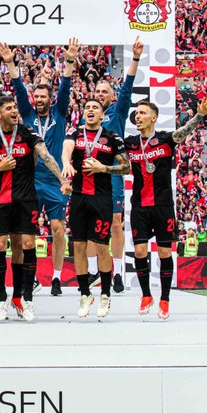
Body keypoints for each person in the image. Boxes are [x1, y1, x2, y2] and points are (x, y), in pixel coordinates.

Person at [0, 92, 68, 323]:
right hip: (1, 200)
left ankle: (24, 298)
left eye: (15, 107)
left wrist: (62, 180)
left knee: (25, 244)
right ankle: (1, 300)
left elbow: (46, 157)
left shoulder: (28, 134)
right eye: (8, 109)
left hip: (26, 199)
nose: (14, 111)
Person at [2, 38, 79, 297]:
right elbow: (18, 88)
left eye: (45, 96)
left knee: (58, 229)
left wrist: (69, 60)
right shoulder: (27, 112)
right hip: (31, 180)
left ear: (50, 99)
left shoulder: (59, 113)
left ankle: (56, 278)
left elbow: (66, 85)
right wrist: (11, 63)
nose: (40, 99)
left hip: (55, 180)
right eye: (38, 96)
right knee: (26, 232)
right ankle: (29, 278)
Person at [125, 93, 207, 321]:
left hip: (162, 205)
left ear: (153, 117)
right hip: (139, 205)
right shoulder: (130, 143)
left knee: (164, 252)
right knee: (140, 251)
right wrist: (103, 168)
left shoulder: (165, 139)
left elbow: (185, 131)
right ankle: (146, 295)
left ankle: (164, 299)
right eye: (137, 113)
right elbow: (123, 168)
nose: (138, 116)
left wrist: (199, 116)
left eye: (142, 113)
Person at [61, 98, 130, 319]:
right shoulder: (75, 133)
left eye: (95, 108)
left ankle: (105, 294)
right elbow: (66, 148)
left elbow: (126, 166)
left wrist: (104, 167)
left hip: (101, 199)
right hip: (79, 198)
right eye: (87, 108)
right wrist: (66, 163)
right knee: (79, 247)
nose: (90, 110)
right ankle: (84, 294)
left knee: (101, 247)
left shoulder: (112, 138)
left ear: (102, 116)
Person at [96, 37, 142, 293]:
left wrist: (134, 58)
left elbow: (128, 87)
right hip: (91, 176)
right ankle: (97, 271)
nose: (100, 95)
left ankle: (118, 271)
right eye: (98, 92)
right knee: (92, 224)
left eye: (105, 92)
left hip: (113, 174)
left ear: (111, 96)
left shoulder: (118, 111)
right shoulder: (88, 114)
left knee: (115, 222)